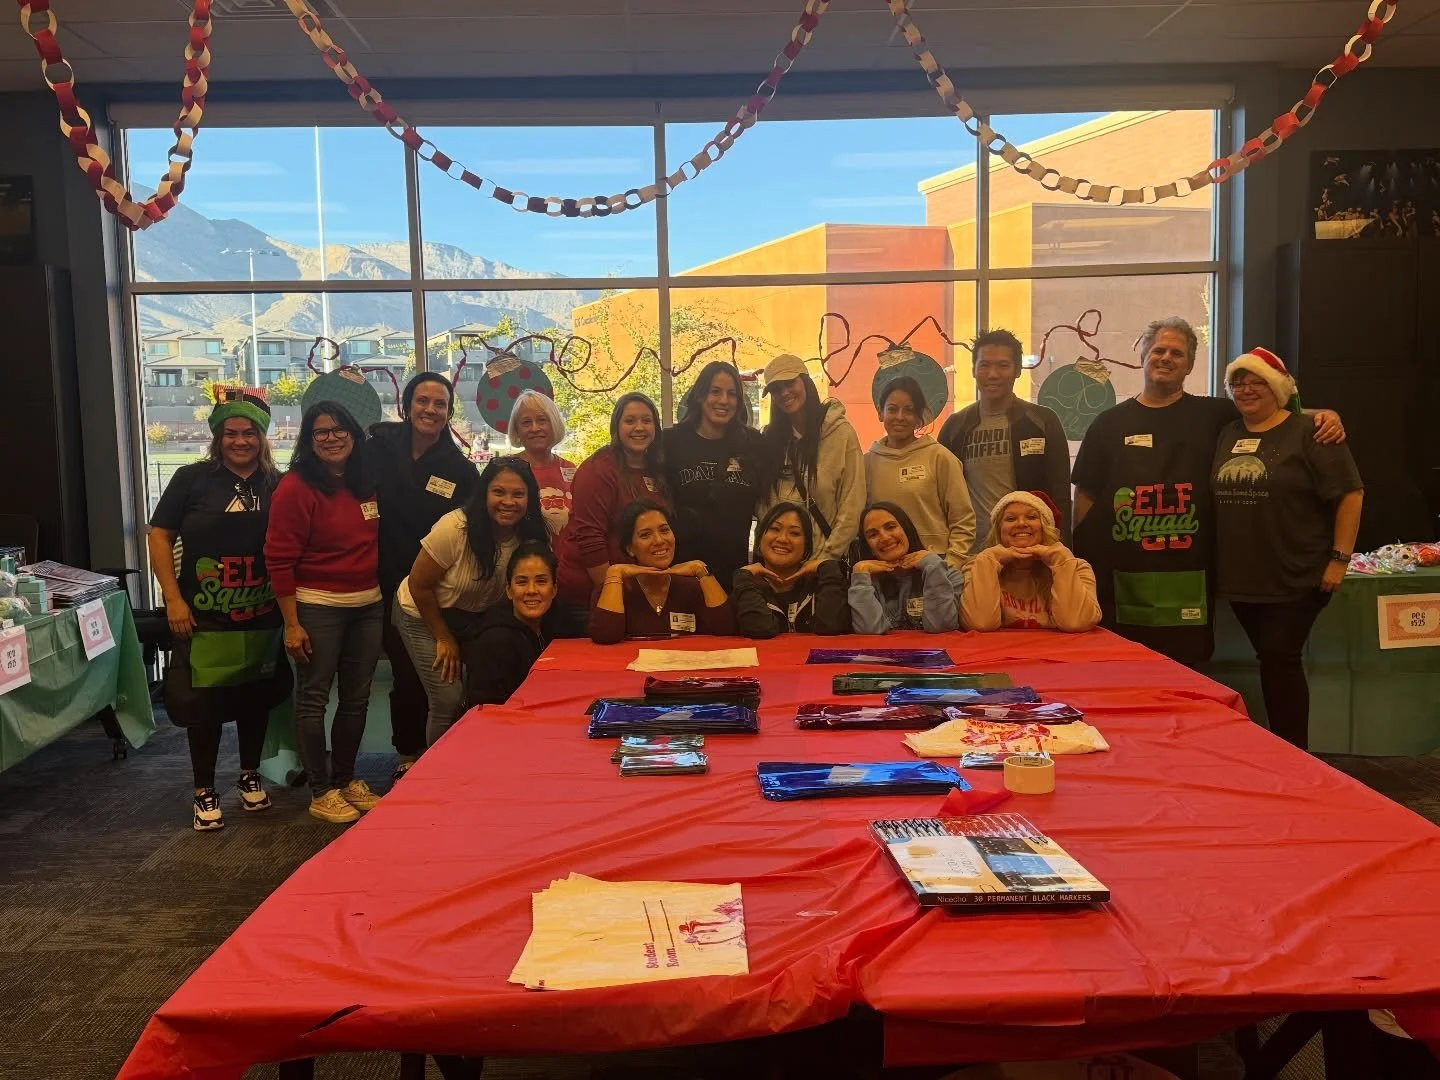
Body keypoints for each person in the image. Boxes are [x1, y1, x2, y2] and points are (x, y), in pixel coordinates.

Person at [1071, 316, 1345, 667]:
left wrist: (1326, 414)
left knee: (1189, 670)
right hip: (1122, 576)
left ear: (1189, 366)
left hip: (1191, 572)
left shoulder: (1216, 414)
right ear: (1143, 355)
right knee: (1127, 669)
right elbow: (1086, 495)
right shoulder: (1109, 423)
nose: (1166, 357)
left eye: (1177, 353)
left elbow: (1275, 415)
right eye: (1158, 350)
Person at [148, 390, 291, 831]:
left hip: (262, 613)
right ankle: (204, 790)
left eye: (250, 432)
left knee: (254, 698)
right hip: (202, 615)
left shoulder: (278, 484)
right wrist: (172, 598)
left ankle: (249, 776)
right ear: (217, 436)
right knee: (202, 705)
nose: (241, 441)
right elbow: (158, 535)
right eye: (231, 433)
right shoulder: (191, 479)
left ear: (263, 437)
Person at [1213, 348, 1363, 749]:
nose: (1246, 389)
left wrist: (1339, 558)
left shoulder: (1312, 432)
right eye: (1238, 381)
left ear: (1277, 387)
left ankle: (1295, 752)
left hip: (1297, 573)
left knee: (1280, 658)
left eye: (1257, 380)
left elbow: (1350, 494)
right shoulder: (1229, 433)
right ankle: (1285, 749)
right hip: (1243, 578)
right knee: (1272, 660)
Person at [264, 402, 383, 825]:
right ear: (308, 441)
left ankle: (347, 779)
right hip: (317, 607)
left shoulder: (365, 482)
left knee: (356, 698)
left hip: (367, 605)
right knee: (313, 699)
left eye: (339, 430)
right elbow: (277, 559)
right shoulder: (296, 487)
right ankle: (321, 790)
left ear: (353, 434)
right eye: (320, 432)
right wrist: (292, 624)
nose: (331, 438)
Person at [365, 372, 477, 783]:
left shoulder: (459, 469)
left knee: (425, 672)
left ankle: (442, 752)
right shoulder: (376, 449)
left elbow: (472, 527)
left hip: (427, 591)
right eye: (423, 401)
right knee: (401, 672)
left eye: (440, 404)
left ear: (449, 413)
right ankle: (407, 751)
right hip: (373, 580)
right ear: (407, 405)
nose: (430, 410)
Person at [393, 456, 549, 747]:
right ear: (484, 493)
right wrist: (443, 637)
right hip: (422, 610)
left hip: (471, 616)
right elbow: (419, 584)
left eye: (518, 494)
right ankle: (437, 778)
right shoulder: (455, 528)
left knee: (483, 686)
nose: (508, 501)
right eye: (499, 492)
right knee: (449, 697)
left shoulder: (529, 536)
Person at [938, 328, 1073, 551]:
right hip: (972, 553)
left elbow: (1060, 493)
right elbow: (941, 497)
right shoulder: (956, 426)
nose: (993, 374)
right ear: (974, 370)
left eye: (1002, 365)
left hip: (1031, 551)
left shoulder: (1043, 421)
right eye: (984, 365)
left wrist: (1060, 549)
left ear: (1018, 370)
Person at [556, 393, 671, 610]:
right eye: (630, 421)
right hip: (590, 597)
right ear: (616, 427)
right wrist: (613, 594)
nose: (639, 427)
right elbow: (591, 540)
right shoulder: (598, 470)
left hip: (636, 591)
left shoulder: (657, 468)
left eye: (647, 421)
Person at [755, 354, 865, 563]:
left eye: (789, 383)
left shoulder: (840, 433)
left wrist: (826, 558)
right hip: (778, 565)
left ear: (805, 382)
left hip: (823, 566)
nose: (784, 393)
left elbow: (852, 504)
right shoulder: (770, 439)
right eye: (776, 389)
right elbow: (764, 506)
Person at [664, 360, 765, 589]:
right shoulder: (672, 441)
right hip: (683, 572)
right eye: (715, 392)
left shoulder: (752, 443)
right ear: (700, 396)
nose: (723, 401)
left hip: (734, 574)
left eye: (732, 394)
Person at [864, 375, 976, 571]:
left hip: (935, 565)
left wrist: (949, 567)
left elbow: (963, 521)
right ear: (880, 413)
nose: (900, 417)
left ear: (919, 417)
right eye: (892, 409)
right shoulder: (866, 463)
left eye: (909, 410)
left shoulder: (940, 457)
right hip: (886, 569)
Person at [589, 500, 735, 644]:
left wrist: (701, 569)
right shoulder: (614, 588)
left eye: (664, 530)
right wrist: (615, 572)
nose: (659, 540)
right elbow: (605, 636)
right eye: (645, 535)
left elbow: (727, 629)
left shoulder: (693, 586)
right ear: (630, 548)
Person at [960, 491, 1101, 632]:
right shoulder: (976, 565)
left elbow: (1075, 623)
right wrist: (989, 560)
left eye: (1031, 517)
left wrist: (1061, 561)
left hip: (1056, 652)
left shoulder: (1077, 567)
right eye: (1010, 519)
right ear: (999, 530)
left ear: (1045, 527)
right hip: (1000, 652)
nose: (1021, 523)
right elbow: (980, 623)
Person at [731, 501, 850, 637]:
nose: (782, 539)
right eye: (775, 529)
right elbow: (760, 630)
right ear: (760, 538)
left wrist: (827, 567)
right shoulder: (746, 587)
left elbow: (830, 627)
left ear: (806, 545)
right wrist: (743, 576)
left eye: (794, 533)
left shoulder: (822, 585)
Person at [468, 541, 564, 706]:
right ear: (509, 590)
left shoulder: (557, 624)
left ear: (554, 589)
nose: (531, 590)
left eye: (541, 581)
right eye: (522, 582)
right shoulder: (496, 641)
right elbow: (486, 709)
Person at [848, 502, 964, 634]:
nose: (885, 538)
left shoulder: (948, 575)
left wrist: (933, 566)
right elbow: (869, 631)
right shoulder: (866, 581)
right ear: (868, 546)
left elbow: (941, 626)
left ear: (907, 530)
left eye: (890, 527)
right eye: (873, 535)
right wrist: (860, 573)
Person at [509, 390, 575, 539]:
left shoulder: (570, 469)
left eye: (542, 420)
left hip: (569, 560)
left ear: (554, 424)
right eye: (526, 422)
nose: (535, 428)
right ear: (516, 430)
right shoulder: (506, 469)